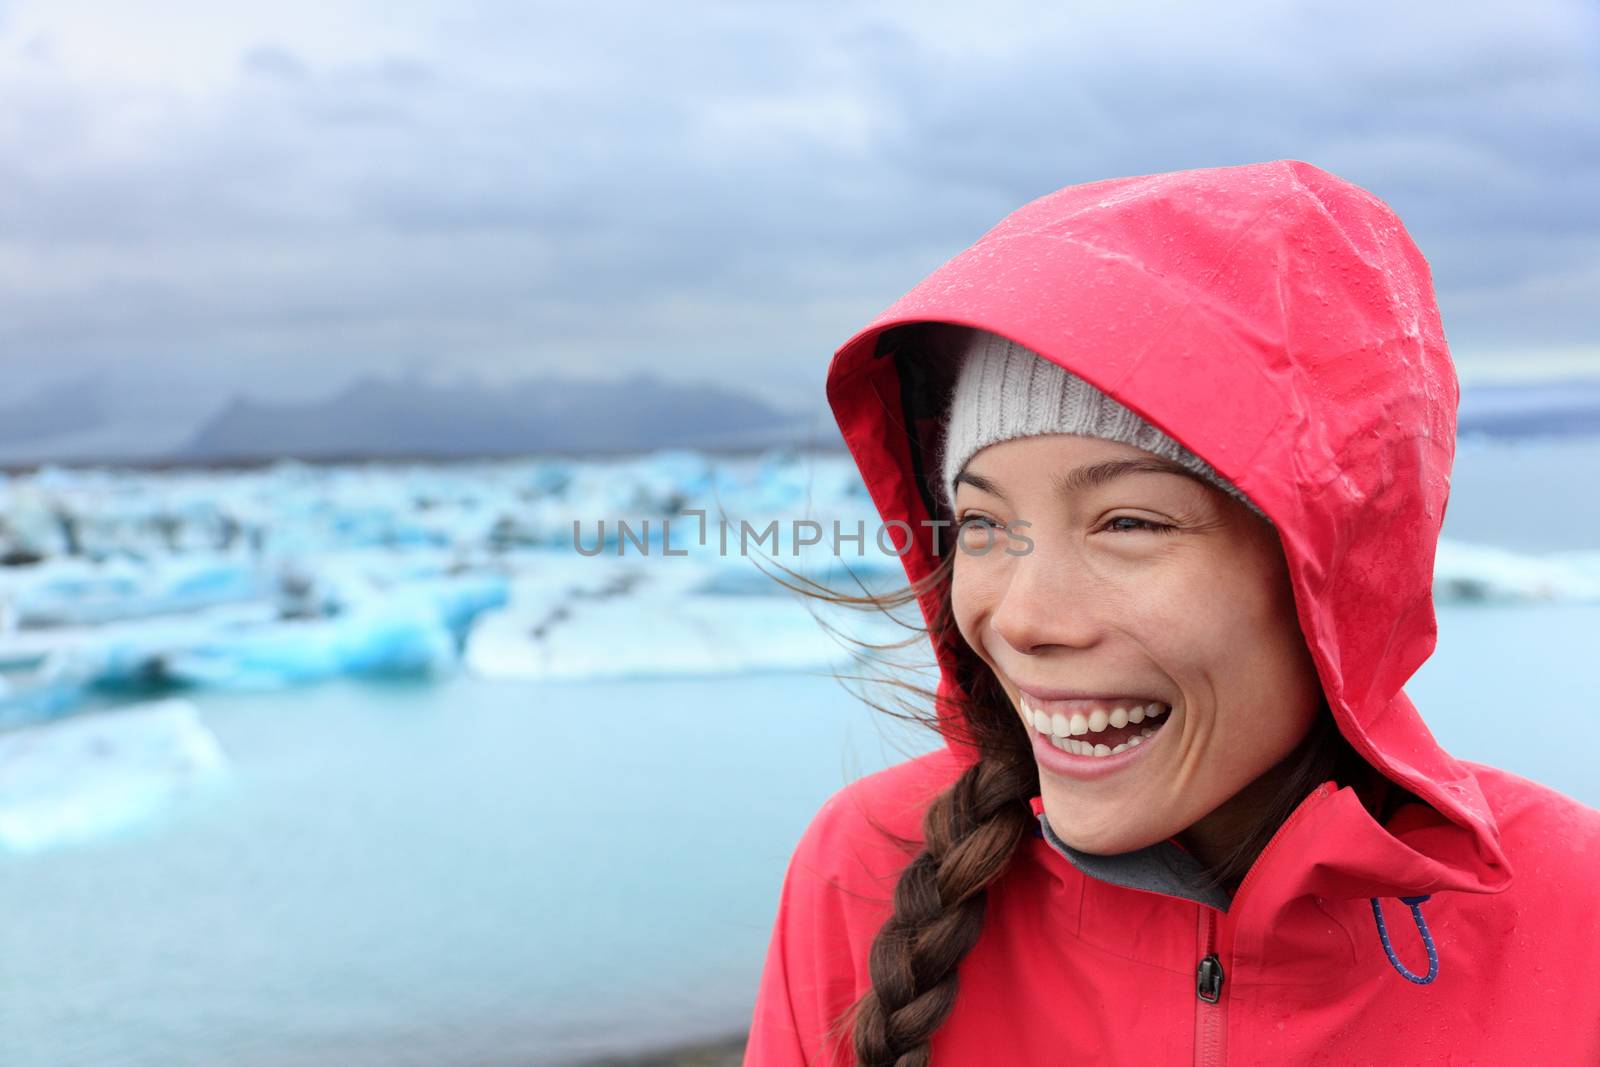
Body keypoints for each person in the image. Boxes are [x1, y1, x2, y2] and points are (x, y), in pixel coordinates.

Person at [741, 159, 1600, 1066]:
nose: (1026, 617)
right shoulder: (868, 869)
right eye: (985, 523)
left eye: (1128, 522)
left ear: (1332, 566)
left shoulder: (1573, 912)